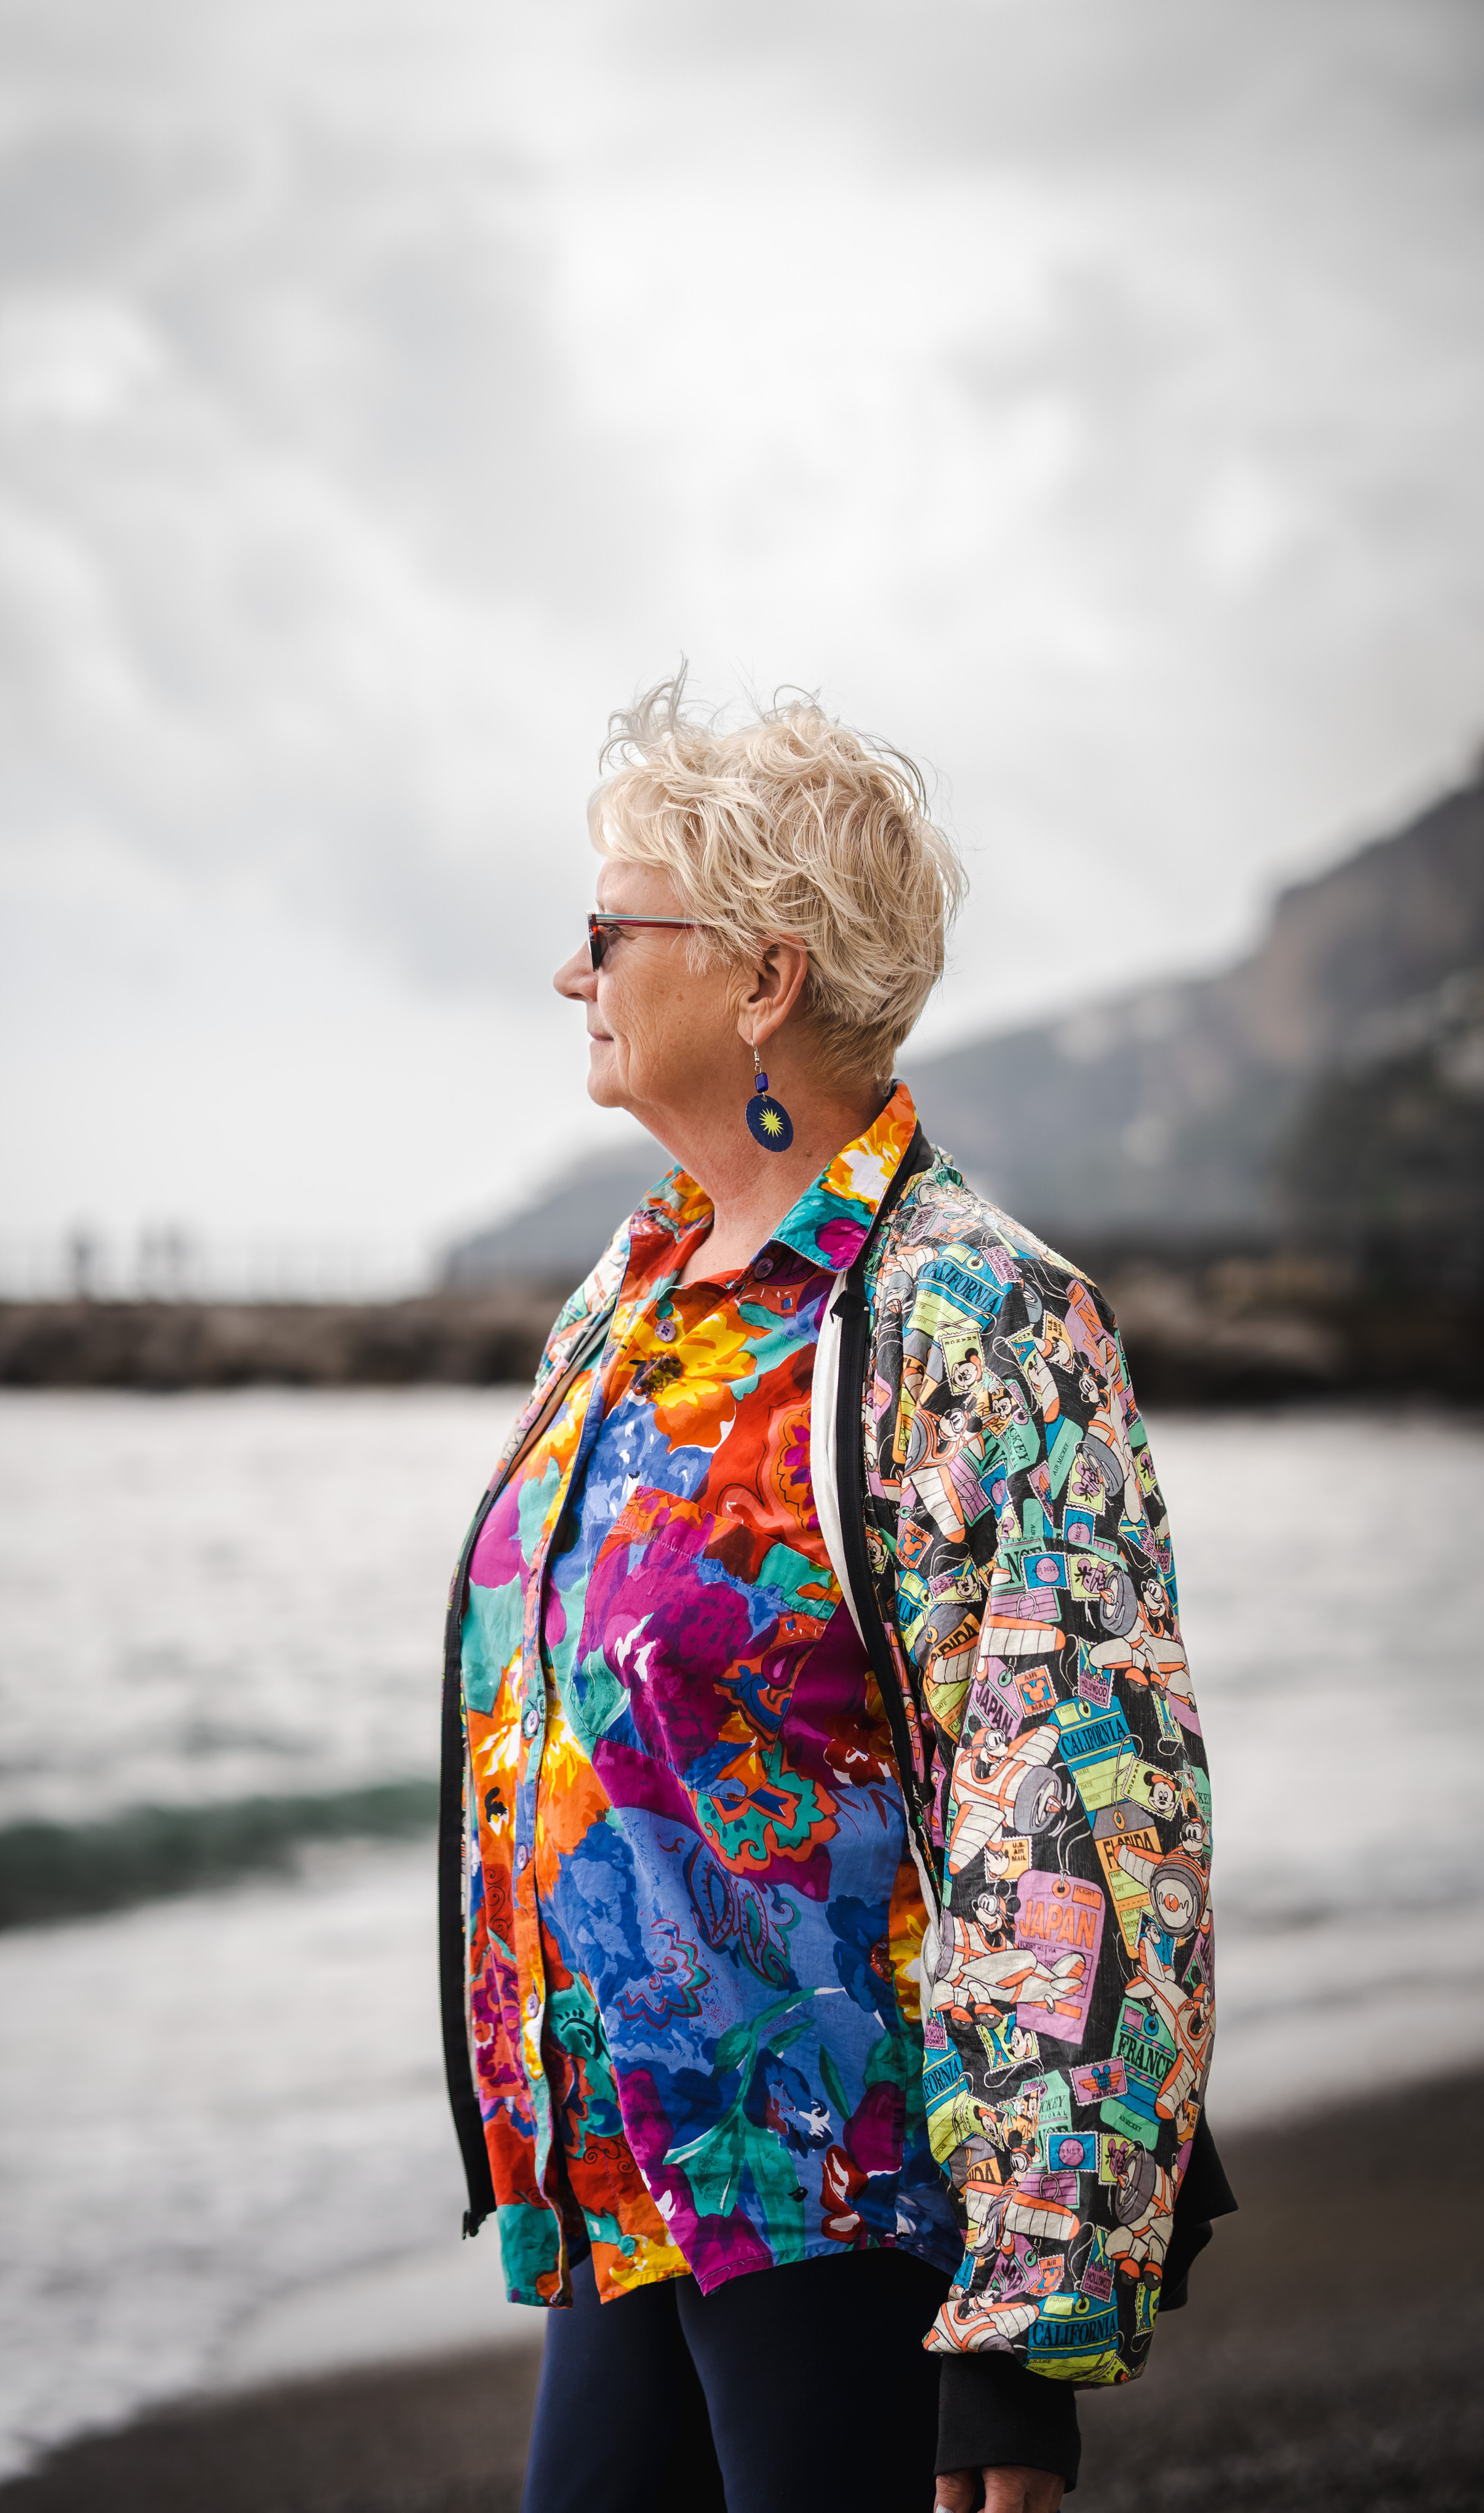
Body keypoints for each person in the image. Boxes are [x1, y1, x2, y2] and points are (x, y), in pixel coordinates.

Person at [438, 677, 1233, 2513]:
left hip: (853, 2200)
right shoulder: (630, 1297)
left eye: (607, 932)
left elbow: (1079, 1820)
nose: (575, 976)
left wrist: (1028, 2334)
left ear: (762, 978)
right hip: (628, 2186)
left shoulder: (974, 1315)